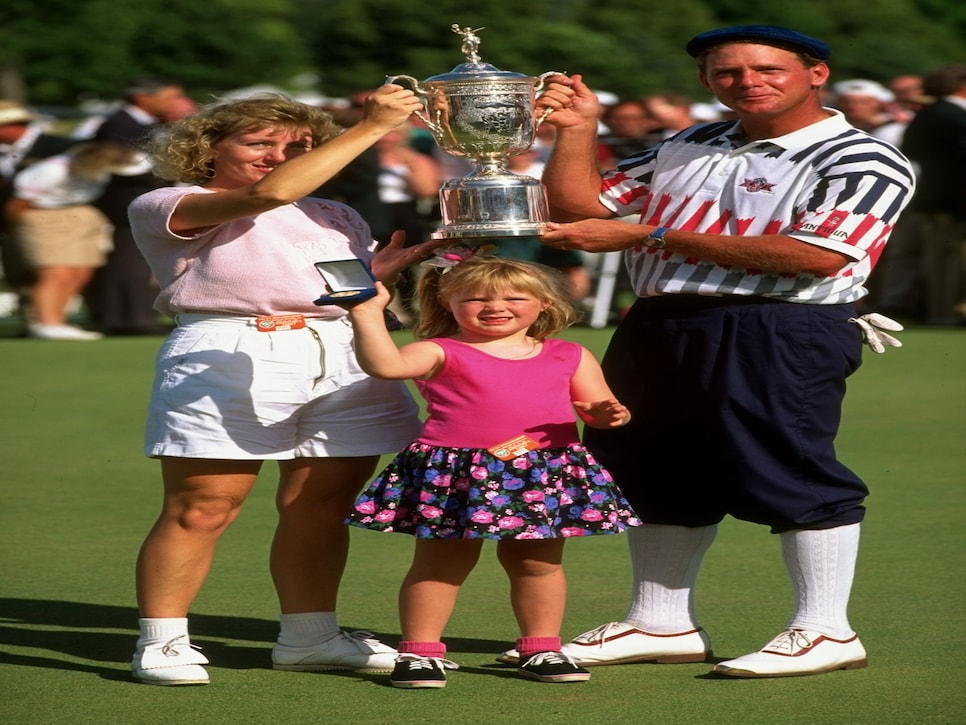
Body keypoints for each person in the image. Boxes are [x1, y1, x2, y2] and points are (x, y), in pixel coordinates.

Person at [523, 25, 915, 678]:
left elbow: (813, 256)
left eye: (767, 68)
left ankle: (826, 629)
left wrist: (652, 235)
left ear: (816, 74)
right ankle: (660, 621)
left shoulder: (860, 156)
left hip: (780, 325)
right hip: (660, 320)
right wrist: (576, 131)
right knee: (651, 465)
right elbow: (583, 206)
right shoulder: (688, 141)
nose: (747, 82)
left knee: (788, 467)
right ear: (707, 82)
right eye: (727, 72)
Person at [126, 86, 445, 686]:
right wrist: (373, 125)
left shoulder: (335, 214)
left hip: (344, 351)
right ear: (208, 147)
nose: (278, 155)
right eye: (258, 142)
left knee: (321, 507)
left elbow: (332, 284)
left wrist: (378, 275)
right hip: (231, 348)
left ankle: (310, 636)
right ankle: (162, 641)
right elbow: (268, 194)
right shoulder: (169, 201)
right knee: (204, 507)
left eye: (297, 146)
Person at [343, 251, 640, 688]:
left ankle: (540, 648)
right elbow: (384, 366)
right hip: (455, 473)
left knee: (538, 565)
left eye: (514, 297)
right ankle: (420, 653)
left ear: (545, 303)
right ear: (447, 301)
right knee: (440, 564)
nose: (495, 306)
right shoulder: (439, 350)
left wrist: (609, 414)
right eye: (476, 298)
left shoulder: (569, 354)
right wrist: (366, 313)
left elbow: (597, 407)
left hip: (540, 471)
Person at [88, 77, 192, 335]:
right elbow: (112, 165)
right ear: (143, 97)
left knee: (135, 260)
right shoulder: (120, 124)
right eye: (170, 96)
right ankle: (129, 319)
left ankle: (132, 317)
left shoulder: (140, 122)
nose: (174, 103)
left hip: (140, 199)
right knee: (129, 260)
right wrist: (161, 175)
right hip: (128, 202)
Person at [6, 141, 139, 340]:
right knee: (56, 273)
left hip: (78, 215)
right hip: (42, 217)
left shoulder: (97, 170)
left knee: (80, 272)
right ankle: (44, 323)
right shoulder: (51, 171)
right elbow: (16, 207)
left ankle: (58, 321)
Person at [883, 64, 966, 326]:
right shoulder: (954, 116)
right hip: (954, 203)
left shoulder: (930, 114)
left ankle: (942, 312)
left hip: (936, 199)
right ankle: (945, 314)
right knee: (949, 260)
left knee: (941, 259)